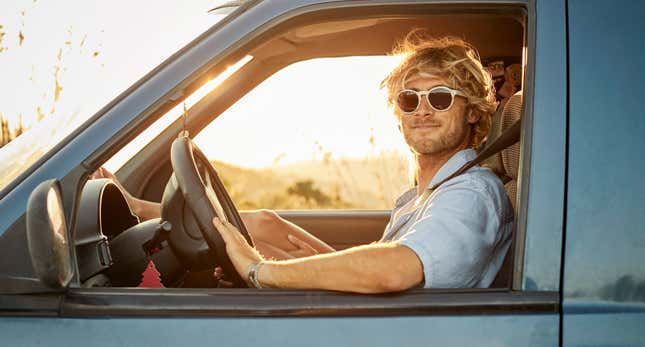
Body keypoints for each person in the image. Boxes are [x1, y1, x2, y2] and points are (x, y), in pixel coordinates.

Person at [95, 33, 514, 293]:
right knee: (269, 227)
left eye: (440, 97)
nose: (423, 110)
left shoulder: (471, 194)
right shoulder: (423, 195)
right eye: (410, 98)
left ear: (473, 111)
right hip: (378, 323)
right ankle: (138, 209)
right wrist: (263, 248)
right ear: (398, 111)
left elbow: (395, 270)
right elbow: (381, 264)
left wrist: (261, 270)